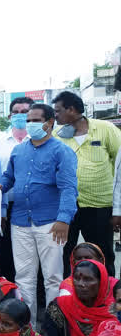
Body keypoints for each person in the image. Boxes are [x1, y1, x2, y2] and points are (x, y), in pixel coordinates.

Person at [1, 103, 78, 320]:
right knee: (24, 277)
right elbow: (9, 179)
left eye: (35, 120)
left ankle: (54, 328)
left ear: (49, 123)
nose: (30, 124)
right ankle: (27, 327)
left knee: (53, 277)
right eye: (28, 121)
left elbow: (68, 188)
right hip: (20, 222)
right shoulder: (18, 150)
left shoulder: (62, 151)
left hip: (51, 223)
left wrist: (64, 219)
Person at [54, 91, 121, 277]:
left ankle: (108, 296)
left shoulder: (105, 129)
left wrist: (118, 210)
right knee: (64, 253)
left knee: (102, 254)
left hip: (99, 205)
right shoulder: (57, 135)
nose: (55, 116)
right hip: (66, 206)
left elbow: (120, 167)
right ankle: (69, 294)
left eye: (58, 111)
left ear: (72, 109)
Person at [0, 97, 33, 282]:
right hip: (5, 204)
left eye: (25, 112)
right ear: (9, 116)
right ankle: (7, 288)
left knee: (31, 251)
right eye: (16, 112)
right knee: (5, 250)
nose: (20, 115)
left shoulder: (38, 139)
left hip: (32, 206)